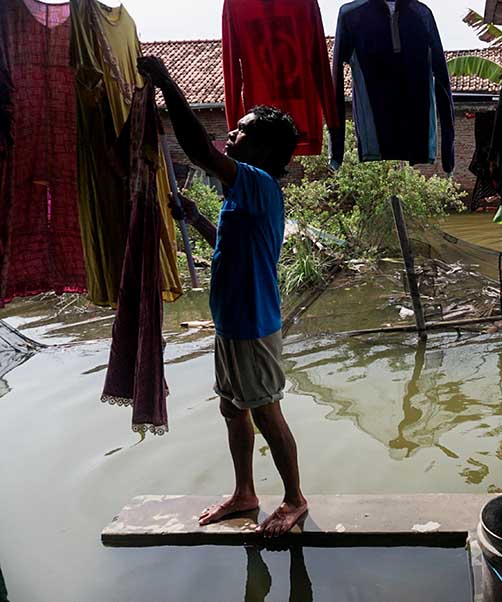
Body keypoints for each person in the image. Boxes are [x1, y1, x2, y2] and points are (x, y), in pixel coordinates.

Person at [138, 56, 308, 538]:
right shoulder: (244, 194)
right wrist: (195, 218)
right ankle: (245, 493)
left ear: (264, 149)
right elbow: (227, 248)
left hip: (252, 325)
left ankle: (294, 499)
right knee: (233, 409)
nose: (231, 133)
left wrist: (168, 83)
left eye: (242, 130)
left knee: (266, 412)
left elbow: (198, 150)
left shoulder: (257, 181)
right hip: (231, 322)